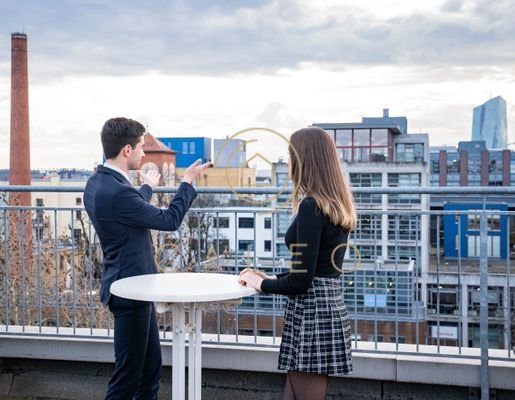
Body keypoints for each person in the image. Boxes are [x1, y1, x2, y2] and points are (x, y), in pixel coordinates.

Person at [84, 117, 211, 400]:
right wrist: (187, 183)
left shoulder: (97, 183)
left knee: (150, 369)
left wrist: (147, 188)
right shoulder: (118, 192)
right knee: (129, 377)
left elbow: (127, 209)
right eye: (141, 147)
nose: (144, 153)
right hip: (131, 291)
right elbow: (169, 220)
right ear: (127, 150)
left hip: (128, 286)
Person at [239, 127, 356, 400]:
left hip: (313, 313)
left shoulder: (311, 208)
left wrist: (263, 284)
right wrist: (270, 277)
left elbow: (302, 281)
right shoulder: (334, 204)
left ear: (305, 160)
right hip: (325, 307)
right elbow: (315, 269)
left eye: (291, 156)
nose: (288, 162)